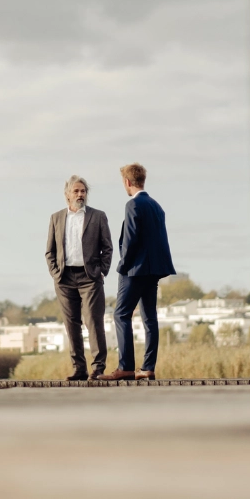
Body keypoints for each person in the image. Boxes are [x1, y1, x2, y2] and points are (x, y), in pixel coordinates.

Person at [98, 163, 176, 381]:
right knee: (149, 317)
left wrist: (123, 265)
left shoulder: (133, 205)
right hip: (153, 271)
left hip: (134, 270)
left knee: (121, 314)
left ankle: (126, 368)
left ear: (127, 182)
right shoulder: (156, 206)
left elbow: (130, 240)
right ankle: (148, 367)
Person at [44, 174, 113, 381]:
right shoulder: (56, 218)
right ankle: (79, 369)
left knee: (93, 320)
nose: (80, 194)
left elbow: (107, 247)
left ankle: (98, 369)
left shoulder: (98, 216)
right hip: (64, 279)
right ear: (67, 195)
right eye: (76, 191)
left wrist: (102, 270)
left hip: (90, 277)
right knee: (71, 323)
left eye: (83, 191)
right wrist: (56, 274)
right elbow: (50, 251)